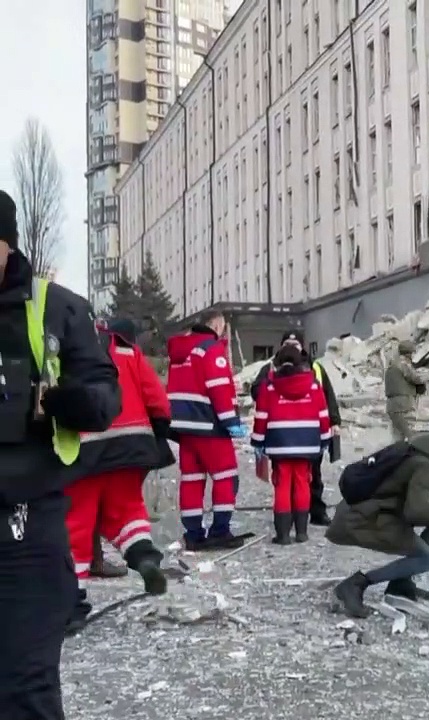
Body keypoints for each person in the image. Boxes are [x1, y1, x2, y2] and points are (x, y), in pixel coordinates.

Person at [0, 189, 122, 718]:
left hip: (24, 529)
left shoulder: (56, 308)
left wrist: (67, 401)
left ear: (7, 245)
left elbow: (103, 395)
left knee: (24, 686)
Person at [65, 318, 173, 634]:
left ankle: (72, 605)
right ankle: (144, 556)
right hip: (132, 445)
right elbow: (157, 397)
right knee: (127, 511)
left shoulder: (66, 350)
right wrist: (159, 428)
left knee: (76, 524)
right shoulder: (127, 350)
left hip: (83, 449)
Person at [327, 424, 429, 616]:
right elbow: (414, 512)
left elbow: (404, 481)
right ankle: (354, 585)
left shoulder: (421, 446)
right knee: (427, 559)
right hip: (365, 519)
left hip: (365, 511)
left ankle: (400, 583)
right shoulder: (424, 464)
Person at [166, 309, 249, 551]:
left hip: (185, 427)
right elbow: (218, 387)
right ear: (215, 325)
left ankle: (193, 533)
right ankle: (220, 530)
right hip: (210, 425)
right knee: (225, 476)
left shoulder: (180, 351)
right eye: (222, 326)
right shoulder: (210, 349)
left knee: (192, 479)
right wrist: (231, 421)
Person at [249, 331, 342, 526]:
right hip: (296, 434)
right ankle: (295, 521)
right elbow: (257, 391)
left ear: (303, 347)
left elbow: (327, 396)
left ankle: (314, 512)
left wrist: (334, 422)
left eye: (295, 343)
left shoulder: (315, 368)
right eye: (287, 343)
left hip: (300, 432)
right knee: (289, 478)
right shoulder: (271, 368)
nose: (291, 347)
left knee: (312, 476)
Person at [384, 339, 429, 442]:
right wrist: (427, 376)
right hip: (403, 405)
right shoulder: (404, 364)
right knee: (412, 435)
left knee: (397, 436)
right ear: (409, 353)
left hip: (392, 406)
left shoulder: (392, 365)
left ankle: (396, 451)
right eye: (413, 353)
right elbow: (416, 378)